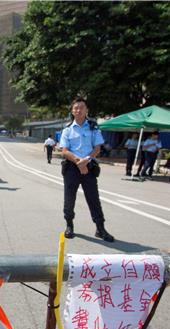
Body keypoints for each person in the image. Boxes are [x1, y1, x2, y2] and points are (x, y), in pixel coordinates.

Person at [60, 97, 114, 242]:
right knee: (69, 198)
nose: (78, 110)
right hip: (72, 167)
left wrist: (86, 161)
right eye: (76, 108)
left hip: (89, 166)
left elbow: (97, 148)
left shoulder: (93, 127)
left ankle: (100, 228)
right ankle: (69, 225)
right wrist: (79, 162)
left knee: (93, 198)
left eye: (81, 107)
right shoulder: (67, 129)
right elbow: (64, 151)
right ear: (72, 111)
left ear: (86, 110)